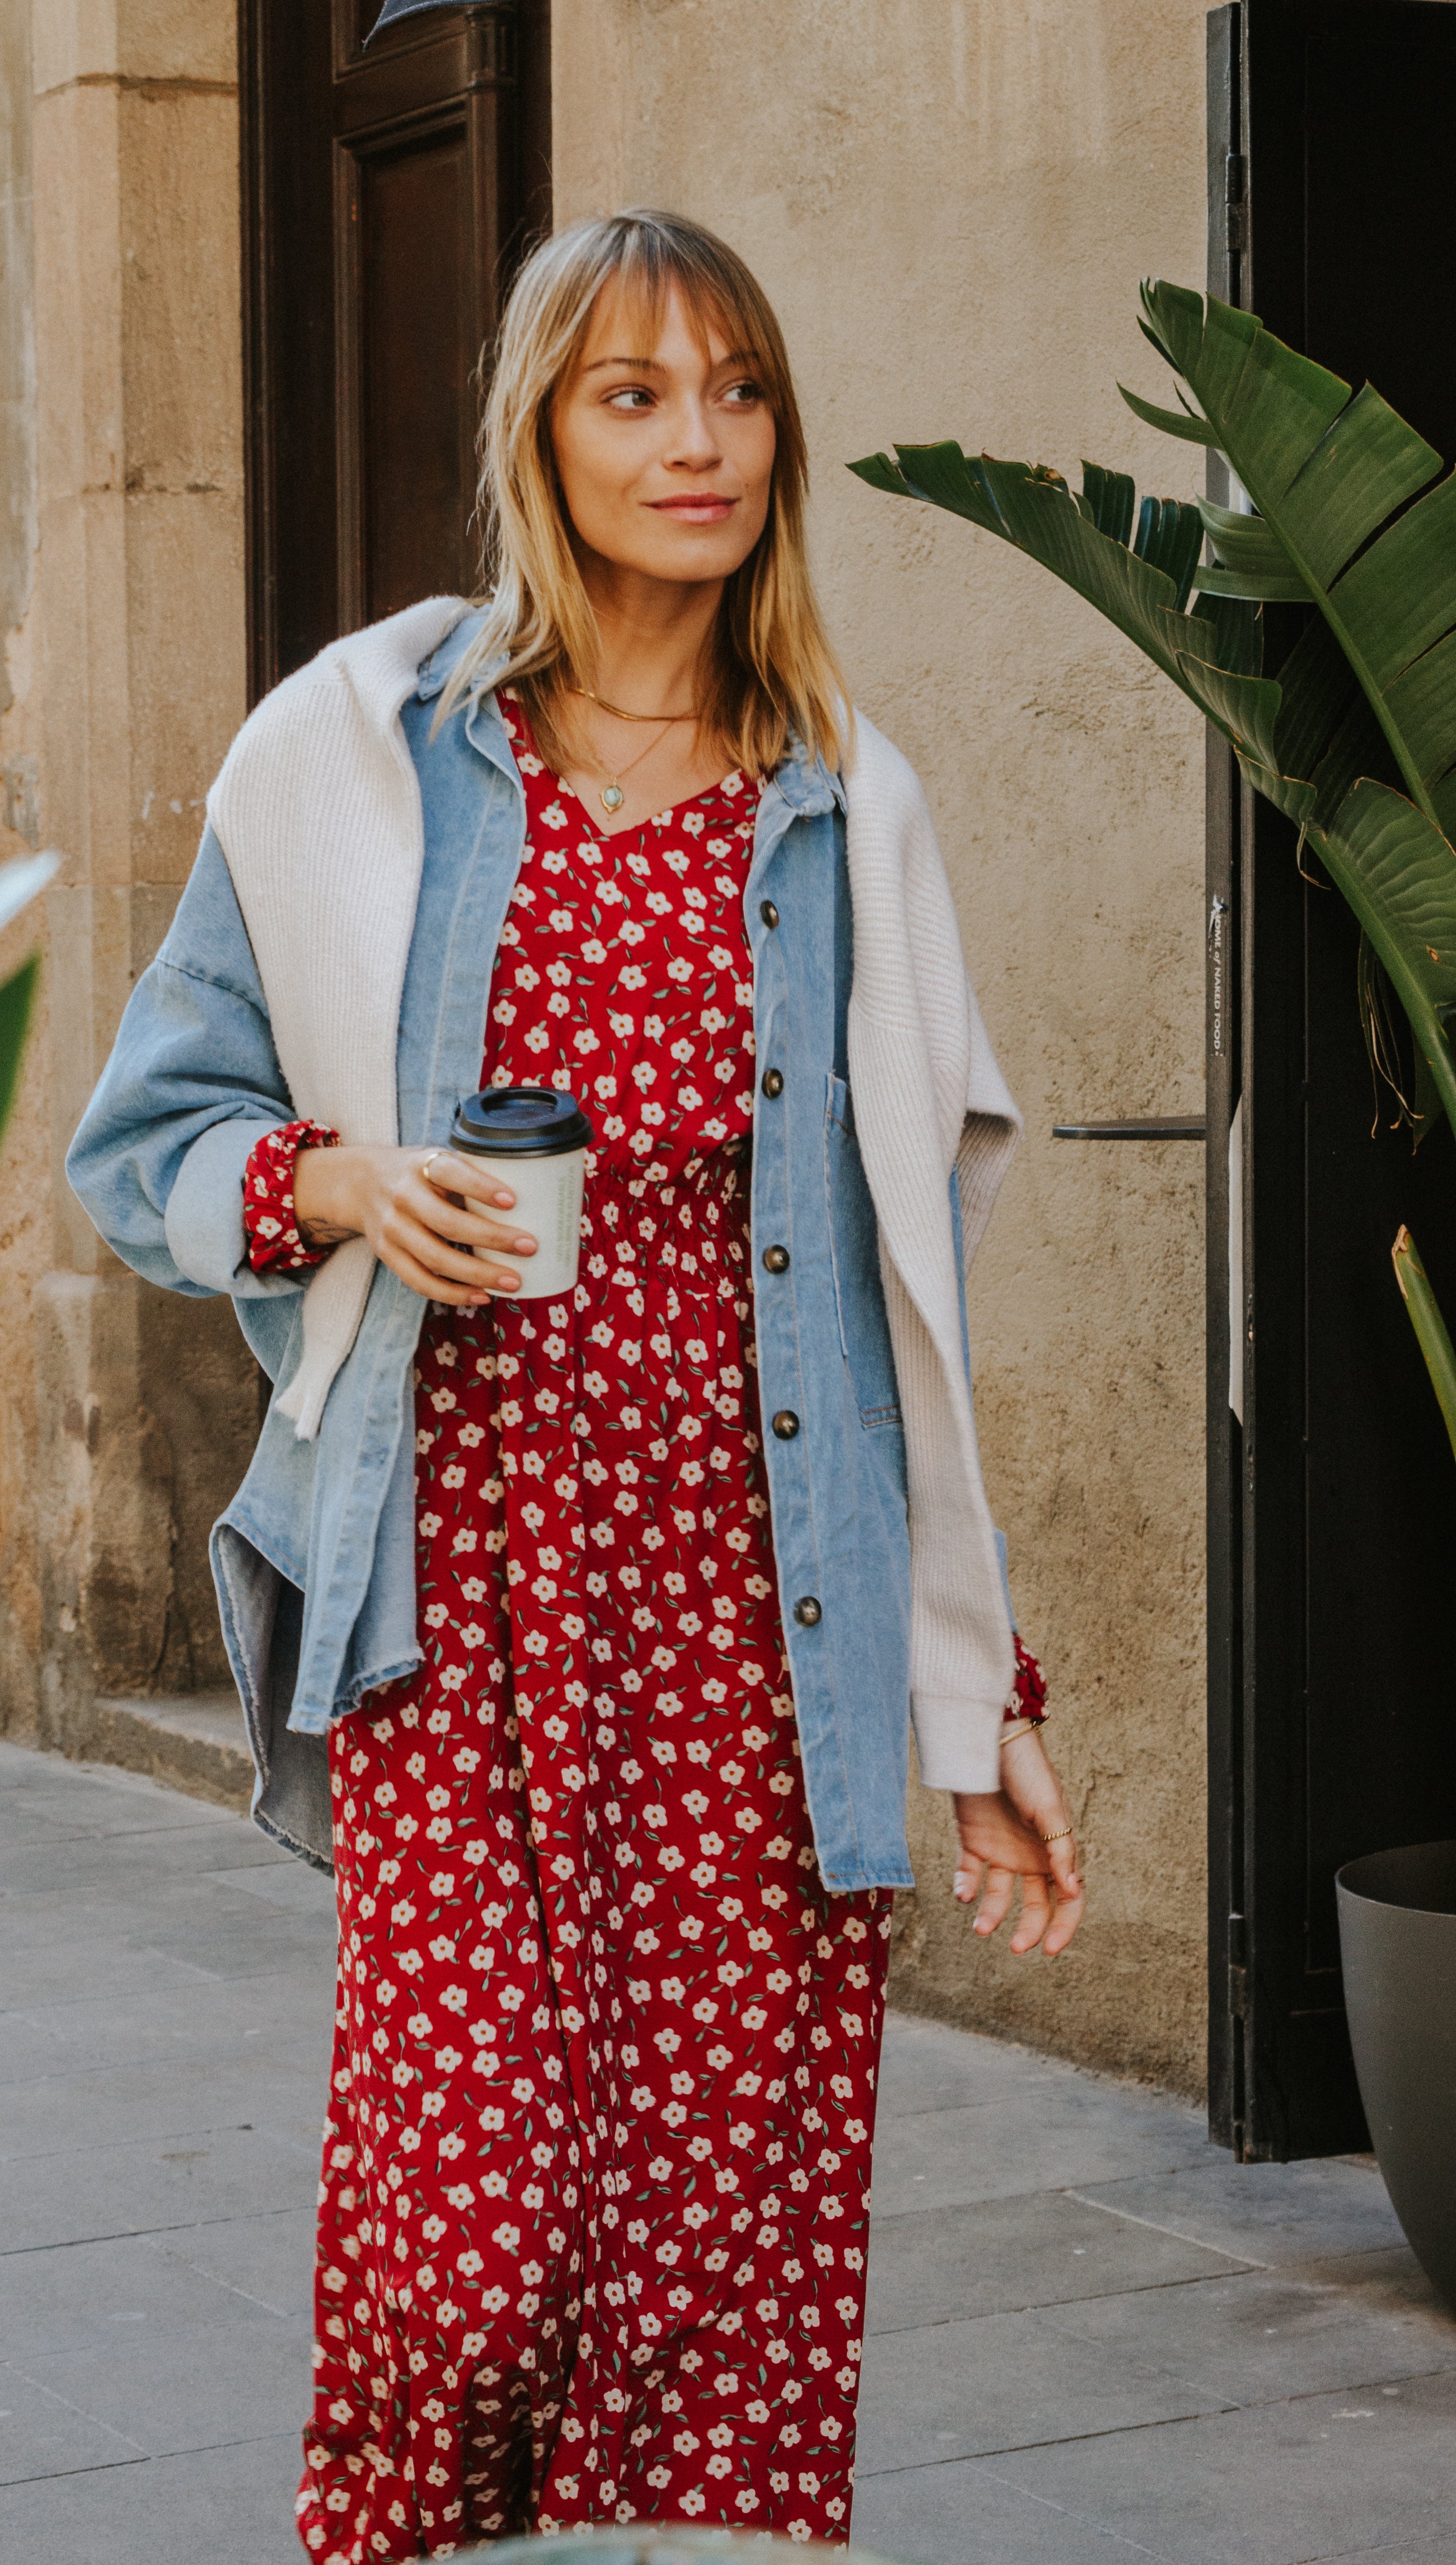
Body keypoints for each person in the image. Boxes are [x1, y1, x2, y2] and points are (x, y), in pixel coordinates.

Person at [67, 207, 1083, 2563]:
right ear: (542, 428)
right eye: (633, 392)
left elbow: (907, 1310)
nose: (698, 440)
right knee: (467, 2245)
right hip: (466, 1600)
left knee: (725, 2273)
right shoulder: (365, 758)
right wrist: (341, 1183)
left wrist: (982, 1692)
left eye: (735, 389)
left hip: (760, 1628)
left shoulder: (846, 802)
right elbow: (145, 1139)